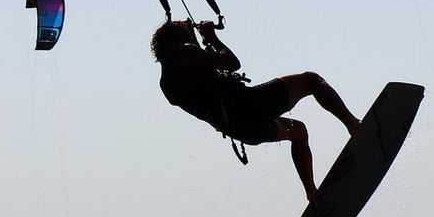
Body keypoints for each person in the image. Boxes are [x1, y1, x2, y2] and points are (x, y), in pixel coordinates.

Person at [151, 19, 361, 200]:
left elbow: (202, 77)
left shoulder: (167, 82)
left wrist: (195, 39)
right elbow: (232, 63)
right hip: (251, 106)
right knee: (311, 80)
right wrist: (211, 37)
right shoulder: (185, 53)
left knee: (298, 132)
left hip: (241, 129)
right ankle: (353, 125)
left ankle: (312, 193)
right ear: (178, 39)